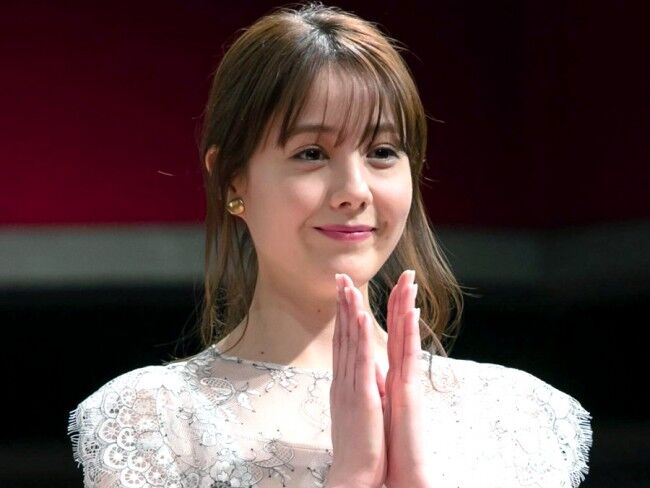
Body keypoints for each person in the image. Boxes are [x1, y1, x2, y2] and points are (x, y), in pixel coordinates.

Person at [67, 3, 593, 487]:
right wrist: (354, 476)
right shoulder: (154, 422)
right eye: (312, 153)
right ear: (231, 179)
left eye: (382, 151)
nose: (355, 190)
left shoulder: (518, 416)